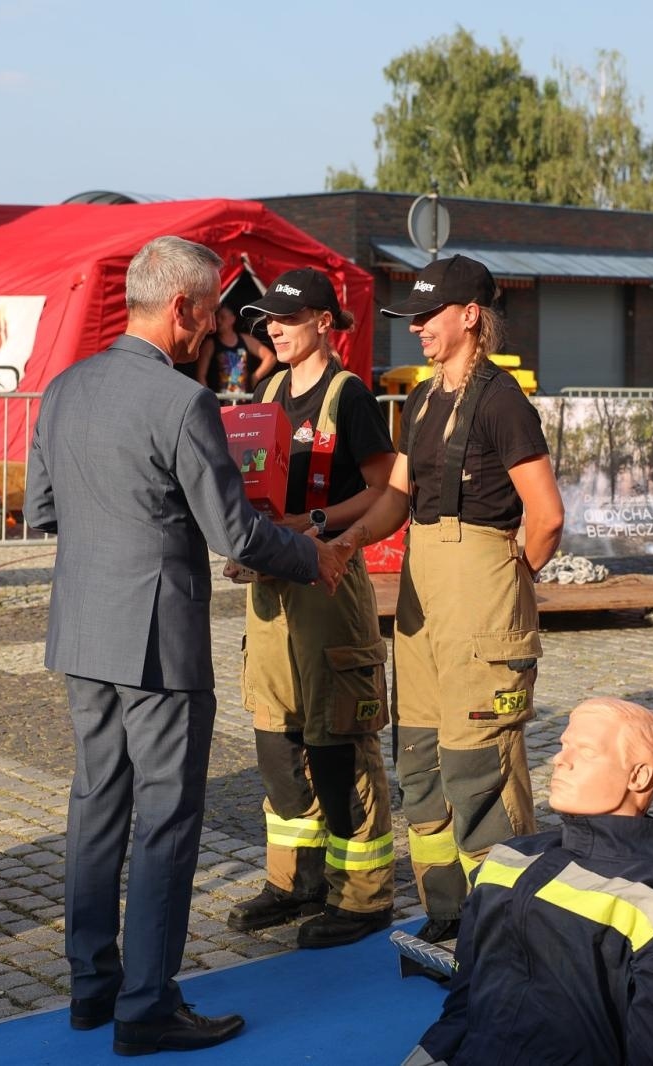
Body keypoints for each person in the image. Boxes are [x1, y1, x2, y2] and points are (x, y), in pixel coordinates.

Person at [24, 236, 350, 1056]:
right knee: (167, 820)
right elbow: (233, 529)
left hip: (83, 628)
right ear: (180, 308)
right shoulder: (182, 403)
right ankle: (147, 1007)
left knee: (96, 808)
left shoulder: (63, 388)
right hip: (158, 641)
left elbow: (44, 510)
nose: (215, 330)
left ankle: (92, 989)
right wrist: (315, 555)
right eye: (209, 313)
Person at [331, 254, 564, 944]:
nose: (418, 329)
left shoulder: (501, 401)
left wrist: (509, 577)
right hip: (423, 595)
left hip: (479, 587)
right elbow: (397, 496)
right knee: (422, 762)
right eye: (414, 318)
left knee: (479, 768)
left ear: (470, 316)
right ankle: (448, 913)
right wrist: (346, 540)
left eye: (429, 317)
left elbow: (546, 514)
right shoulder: (427, 398)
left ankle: (507, 929)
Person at [402, 699, 653, 1066]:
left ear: (639, 777)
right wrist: (426, 1055)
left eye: (586, 751)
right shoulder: (507, 861)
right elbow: (464, 1003)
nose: (559, 760)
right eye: (564, 745)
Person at [224, 268, 399, 949]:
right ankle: (294, 882)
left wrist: (318, 521)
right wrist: (249, 543)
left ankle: (362, 896)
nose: (273, 327)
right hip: (270, 590)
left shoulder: (348, 395)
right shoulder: (267, 390)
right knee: (277, 742)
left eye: (288, 319)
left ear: (326, 322)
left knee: (338, 746)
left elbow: (386, 489)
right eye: (268, 318)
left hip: (328, 588)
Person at [194, 304, 274, 394]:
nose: (218, 321)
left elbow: (270, 357)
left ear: (232, 319)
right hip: (220, 402)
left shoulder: (245, 340)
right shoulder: (210, 344)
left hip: (244, 401)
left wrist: (255, 377)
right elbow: (201, 376)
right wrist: (208, 398)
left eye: (222, 317)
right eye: (216, 317)